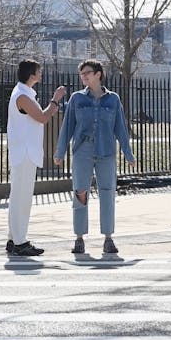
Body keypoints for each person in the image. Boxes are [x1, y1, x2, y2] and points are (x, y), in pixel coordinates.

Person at [54, 59, 135, 256]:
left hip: (106, 152)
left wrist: (128, 152)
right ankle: (79, 238)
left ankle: (108, 238)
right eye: (81, 74)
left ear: (98, 74)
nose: (83, 77)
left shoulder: (113, 99)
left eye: (87, 73)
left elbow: (121, 129)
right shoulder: (76, 99)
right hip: (83, 152)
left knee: (107, 193)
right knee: (80, 193)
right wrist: (60, 152)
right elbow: (67, 127)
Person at [6, 59, 66, 257]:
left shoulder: (24, 93)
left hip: (24, 152)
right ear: (31, 74)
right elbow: (42, 117)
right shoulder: (22, 96)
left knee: (18, 197)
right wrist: (55, 99)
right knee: (22, 199)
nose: (41, 73)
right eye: (39, 71)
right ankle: (20, 242)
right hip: (24, 153)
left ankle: (13, 239)